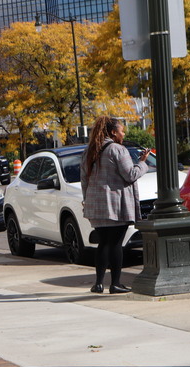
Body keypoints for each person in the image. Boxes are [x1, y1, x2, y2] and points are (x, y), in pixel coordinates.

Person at [81, 116, 150, 294]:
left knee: (103, 243)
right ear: (113, 132)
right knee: (116, 244)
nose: (123, 134)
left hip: (96, 205)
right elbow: (130, 174)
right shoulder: (118, 149)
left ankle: (98, 284)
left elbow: (84, 180)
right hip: (115, 204)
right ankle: (115, 284)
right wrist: (142, 163)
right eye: (121, 130)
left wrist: (86, 200)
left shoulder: (89, 151)